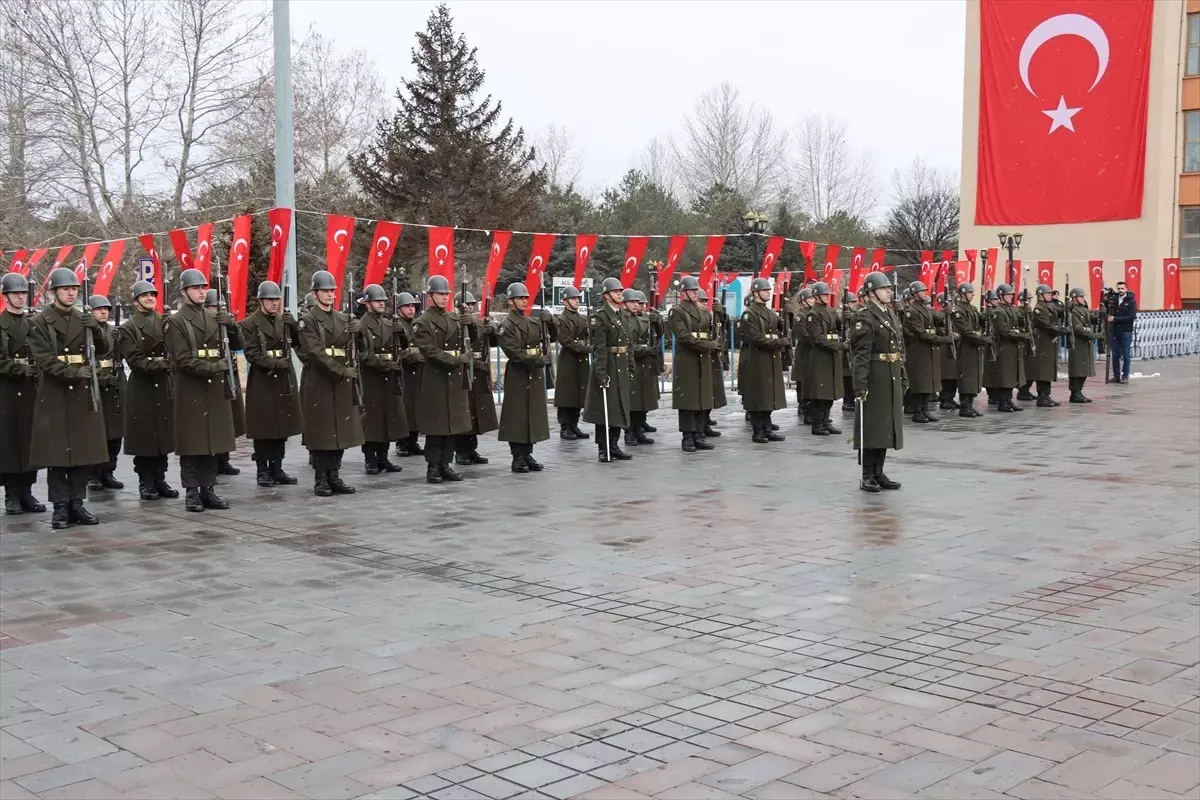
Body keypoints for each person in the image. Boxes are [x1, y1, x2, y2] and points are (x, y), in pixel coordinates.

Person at [27, 269, 111, 527]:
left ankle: (77, 502)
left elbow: (105, 349)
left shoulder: (83, 318)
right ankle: (60, 507)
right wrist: (76, 372)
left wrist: (95, 330)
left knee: (84, 455)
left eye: (74, 289)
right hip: (56, 394)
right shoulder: (39, 322)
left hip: (83, 394)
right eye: (66, 289)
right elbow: (46, 361)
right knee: (58, 459)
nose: (71, 292)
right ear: (54, 292)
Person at [164, 269, 236, 512]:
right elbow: (182, 359)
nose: (202, 291)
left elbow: (236, 345)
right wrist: (214, 367)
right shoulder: (175, 322)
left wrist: (232, 327)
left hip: (213, 390)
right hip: (191, 389)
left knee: (212, 442)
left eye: (204, 287)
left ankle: (209, 489)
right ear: (185, 291)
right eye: (196, 288)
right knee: (193, 445)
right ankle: (192, 492)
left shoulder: (214, 318)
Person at [298, 270, 365, 496]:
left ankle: (334, 475)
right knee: (322, 432)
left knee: (340, 430)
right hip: (320, 381)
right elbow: (316, 352)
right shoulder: (308, 320)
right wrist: (341, 370)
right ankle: (321, 479)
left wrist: (360, 333)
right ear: (315, 293)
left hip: (341, 381)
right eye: (325, 291)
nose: (329, 294)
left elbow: (357, 348)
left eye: (332, 291)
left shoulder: (343, 318)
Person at [118, 280, 178, 501]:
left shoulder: (166, 321)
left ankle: (160, 479)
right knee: (145, 439)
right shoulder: (129, 327)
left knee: (162, 437)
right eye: (145, 296)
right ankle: (145, 482)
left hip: (163, 386)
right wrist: (163, 364)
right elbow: (135, 361)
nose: (150, 298)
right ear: (135, 301)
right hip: (142, 388)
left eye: (153, 295)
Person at [239, 280, 302, 487]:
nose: (274, 303)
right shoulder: (249, 324)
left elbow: (299, 343)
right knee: (263, 428)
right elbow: (252, 354)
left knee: (281, 427)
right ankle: (262, 470)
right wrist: (275, 363)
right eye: (270, 300)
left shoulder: (283, 321)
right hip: (264, 379)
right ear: (261, 301)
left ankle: (277, 467)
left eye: (277, 299)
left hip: (283, 379)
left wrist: (293, 326)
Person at [413, 275, 472, 483]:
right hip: (435, 378)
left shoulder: (454, 318)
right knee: (437, 427)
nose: (445, 298)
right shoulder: (422, 322)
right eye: (440, 294)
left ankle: (446, 464)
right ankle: (433, 466)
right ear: (430, 296)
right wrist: (455, 360)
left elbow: (472, 339)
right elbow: (429, 351)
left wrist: (470, 323)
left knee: (452, 426)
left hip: (454, 380)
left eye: (447, 294)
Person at [851, 272, 905, 493]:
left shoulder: (889, 314)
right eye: (884, 289)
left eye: (889, 289)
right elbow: (861, 355)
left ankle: (879, 471)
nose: (888, 292)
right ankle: (867, 475)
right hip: (874, 376)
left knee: (885, 426)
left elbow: (898, 348)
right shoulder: (864, 317)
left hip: (890, 373)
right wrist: (860, 385)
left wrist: (902, 373)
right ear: (871, 292)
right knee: (871, 427)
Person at [0, 273, 46, 515]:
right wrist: (18, 368)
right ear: (6, 296)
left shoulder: (33, 324)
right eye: (15, 293)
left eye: (22, 293)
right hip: (7, 391)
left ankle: (27, 491)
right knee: (9, 445)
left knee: (30, 443)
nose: (20, 297)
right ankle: (12, 495)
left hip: (31, 390)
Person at [496, 283, 551, 473]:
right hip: (519, 374)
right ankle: (517, 457)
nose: (524, 301)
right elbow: (515, 353)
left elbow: (550, 337)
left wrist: (550, 321)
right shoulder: (507, 325)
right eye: (520, 298)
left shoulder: (532, 322)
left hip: (533, 374)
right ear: (511, 301)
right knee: (518, 416)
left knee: (531, 415)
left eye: (526, 298)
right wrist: (537, 360)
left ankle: (527, 453)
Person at [355, 283, 408, 476]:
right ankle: (370, 459)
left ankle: (383, 458)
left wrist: (401, 332)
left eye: (383, 301)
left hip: (389, 376)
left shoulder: (389, 323)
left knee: (388, 418)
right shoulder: (361, 325)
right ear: (368, 303)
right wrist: (386, 365)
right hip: (371, 376)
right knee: (371, 420)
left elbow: (404, 344)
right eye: (378, 301)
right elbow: (363, 355)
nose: (382, 304)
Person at [582, 277, 633, 461]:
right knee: (605, 411)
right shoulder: (600, 317)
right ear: (606, 295)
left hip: (622, 365)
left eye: (620, 291)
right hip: (609, 365)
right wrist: (601, 373)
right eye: (615, 291)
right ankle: (604, 448)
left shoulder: (623, 315)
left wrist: (631, 367)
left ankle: (614, 445)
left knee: (619, 407)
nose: (620, 294)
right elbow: (600, 348)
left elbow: (629, 344)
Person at [668, 276, 719, 453]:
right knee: (688, 400)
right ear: (683, 293)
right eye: (692, 290)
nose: (696, 293)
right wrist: (707, 346)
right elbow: (684, 337)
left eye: (696, 290)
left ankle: (698, 434)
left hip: (702, 358)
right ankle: (687, 437)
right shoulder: (677, 311)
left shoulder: (703, 311)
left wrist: (713, 343)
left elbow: (710, 332)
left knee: (701, 398)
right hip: (688, 359)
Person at [738, 277, 787, 443]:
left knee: (768, 395)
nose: (768, 292)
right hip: (757, 360)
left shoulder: (769, 313)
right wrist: (779, 342)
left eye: (768, 290)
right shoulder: (749, 314)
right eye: (765, 290)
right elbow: (756, 338)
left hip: (769, 358)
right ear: (756, 292)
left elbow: (778, 330)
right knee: (758, 396)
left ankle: (767, 427)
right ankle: (758, 430)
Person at [86, 294, 126, 492]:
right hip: (94, 385)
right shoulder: (85, 331)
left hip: (114, 385)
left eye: (106, 309)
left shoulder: (113, 331)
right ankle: (93, 474)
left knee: (114, 434)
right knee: (96, 433)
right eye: (99, 308)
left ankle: (108, 471)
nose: (103, 312)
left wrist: (122, 341)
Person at [901, 280, 955, 423]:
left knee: (928, 382)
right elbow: (922, 334)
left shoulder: (926, 309)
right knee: (920, 383)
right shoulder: (911, 312)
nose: (925, 293)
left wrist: (946, 311)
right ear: (915, 293)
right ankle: (918, 411)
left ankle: (924, 410)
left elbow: (939, 320)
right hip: (918, 351)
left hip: (928, 350)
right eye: (922, 291)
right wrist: (944, 339)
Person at [204, 289, 243, 476]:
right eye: (213, 306)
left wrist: (232, 326)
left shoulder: (226, 324)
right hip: (211, 373)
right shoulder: (203, 324)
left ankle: (224, 459)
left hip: (227, 374)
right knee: (215, 421)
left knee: (228, 420)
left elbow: (239, 344)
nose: (217, 310)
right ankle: (213, 460)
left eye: (221, 307)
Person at [455, 291, 497, 467]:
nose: (470, 307)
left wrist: (492, 330)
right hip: (464, 372)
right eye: (466, 305)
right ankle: (461, 451)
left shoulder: (479, 322)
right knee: (464, 412)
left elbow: (494, 342)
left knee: (476, 414)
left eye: (472, 304)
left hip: (479, 372)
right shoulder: (456, 324)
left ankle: (471, 449)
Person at [800, 281, 844, 437]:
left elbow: (839, 327)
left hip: (830, 357)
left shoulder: (831, 312)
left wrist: (844, 318)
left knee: (829, 393)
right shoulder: (813, 315)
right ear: (816, 296)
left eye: (827, 294)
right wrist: (837, 346)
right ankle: (818, 424)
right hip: (820, 357)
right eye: (824, 294)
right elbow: (818, 338)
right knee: (820, 394)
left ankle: (825, 421)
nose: (827, 297)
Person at [552, 285, 591, 441]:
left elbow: (588, 335)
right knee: (567, 394)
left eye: (577, 299)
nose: (576, 301)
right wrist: (587, 348)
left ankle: (574, 424)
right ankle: (565, 427)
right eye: (573, 298)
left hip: (581, 359)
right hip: (569, 358)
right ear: (565, 301)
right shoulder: (561, 320)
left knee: (579, 393)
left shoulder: (582, 319)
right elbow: (566, 341)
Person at [1023, 284, 1068, 407]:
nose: (1050, 295)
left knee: (1048, 370)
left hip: (1048, 342)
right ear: (1041, 295)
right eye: (1048, 293)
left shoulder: (1049, 306)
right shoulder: (1039, 309)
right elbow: (1046, 324)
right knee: (1042, 371)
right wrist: (1059, 330)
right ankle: (1042, 397)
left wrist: (1068, 307)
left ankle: (1046, 396)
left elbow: (1059, 312)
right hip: (1042, 342)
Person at [627, 290, 662, 445]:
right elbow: (628, 345)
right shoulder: (623, 320)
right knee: (632, 402)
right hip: (632, 362)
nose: (637, 305)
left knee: (642, 401)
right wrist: (645, 350)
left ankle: (638, 430)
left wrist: (658, 322)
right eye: (633, 302)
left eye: (639, 302)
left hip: (644, 364)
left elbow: (657, 335)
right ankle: (629, 433)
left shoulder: (643, 319)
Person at [392, 292, 425, 458]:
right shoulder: (397, 325)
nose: (411, 309)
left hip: (417, 371)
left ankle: (413, 441)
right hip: (403, 371)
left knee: (416, 408)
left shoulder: (417, 324)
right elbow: (395, 350)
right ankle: (401, 442)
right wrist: (411, 355)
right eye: (407, 306)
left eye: (413, 306)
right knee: (404, 408)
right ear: (399, 309)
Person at [991, 284, 1032, 412]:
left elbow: (1022, 321)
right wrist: (1022, 335)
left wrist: (1027, 310)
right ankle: (1003, 402)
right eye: (1008, 295)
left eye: (1011, 295)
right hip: (1004, 347)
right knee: (1005, 375)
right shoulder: (998, 311)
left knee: (1011, 375)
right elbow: (1004, 331)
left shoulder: (1012, 309)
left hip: (1013, 347)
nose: (1010, 297)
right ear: (1001, 296)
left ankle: (1009, 400)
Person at [951, 282, 987, 418]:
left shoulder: (972, 308)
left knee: (974, 377)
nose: (973, 294)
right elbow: (966, 331)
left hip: (974, 347)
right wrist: (982, 339)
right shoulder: (959, 310)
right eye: (970, 292)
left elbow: (980, 322)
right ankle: (965, 407)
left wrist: (987, 314)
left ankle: (969, 405)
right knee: (967, 377)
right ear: (963, 294)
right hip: (965, 347)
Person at [1067, 287, 1101, 403]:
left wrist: (1100, 314)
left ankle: (1079, 392)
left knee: (1084, 369)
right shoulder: (1072, 310)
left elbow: (1092, 319)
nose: (1083, 298)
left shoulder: (1083, 309)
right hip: (1077, 342)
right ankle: (1075, 393)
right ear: (1074, 298)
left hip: (1085, 342)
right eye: (1081, 297)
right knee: (1078, 369)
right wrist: (1092, 334)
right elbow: (1077, 328)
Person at [704, 287, 728, 438]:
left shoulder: (710, 315)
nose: (703, 303)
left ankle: (705, 420)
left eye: (705, 301)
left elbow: (723, 328)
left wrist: (721, 314)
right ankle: (702, 423)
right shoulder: (702, 316)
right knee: (704, 393)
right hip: (703, 355)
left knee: (711, 391)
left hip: (712, 357)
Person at [792, 287, 814, 423]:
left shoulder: (814, 314)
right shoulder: (801, 316)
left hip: (813, 351)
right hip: (804, 352)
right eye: (810, 298)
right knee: (803, 380)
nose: (813, 300)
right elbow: (804, 335)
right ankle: (803, 406)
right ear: (803, 301)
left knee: (811, 381)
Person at [1107, 280, 1136, 383]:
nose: (1120, 290)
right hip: (1115, 330)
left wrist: (1115, 319)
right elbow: (1107, 308)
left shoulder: (1131, 301)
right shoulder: (1114, 299)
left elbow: (1132, 316)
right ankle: (1116, 375)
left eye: (1122, 288)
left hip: (1126, 331)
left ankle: (1125, 376)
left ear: (1126, 289)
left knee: (1126, 354)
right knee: (1115, 354)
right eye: (1118, 288)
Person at [841, 289, 858, 413]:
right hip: (843, 349)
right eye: (852, 302)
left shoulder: (855, 314)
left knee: (852, 375)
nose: (854, 304)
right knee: (847, 376)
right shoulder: (840, 313)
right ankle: (847, 401)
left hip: (853, 348)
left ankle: (852, 399)